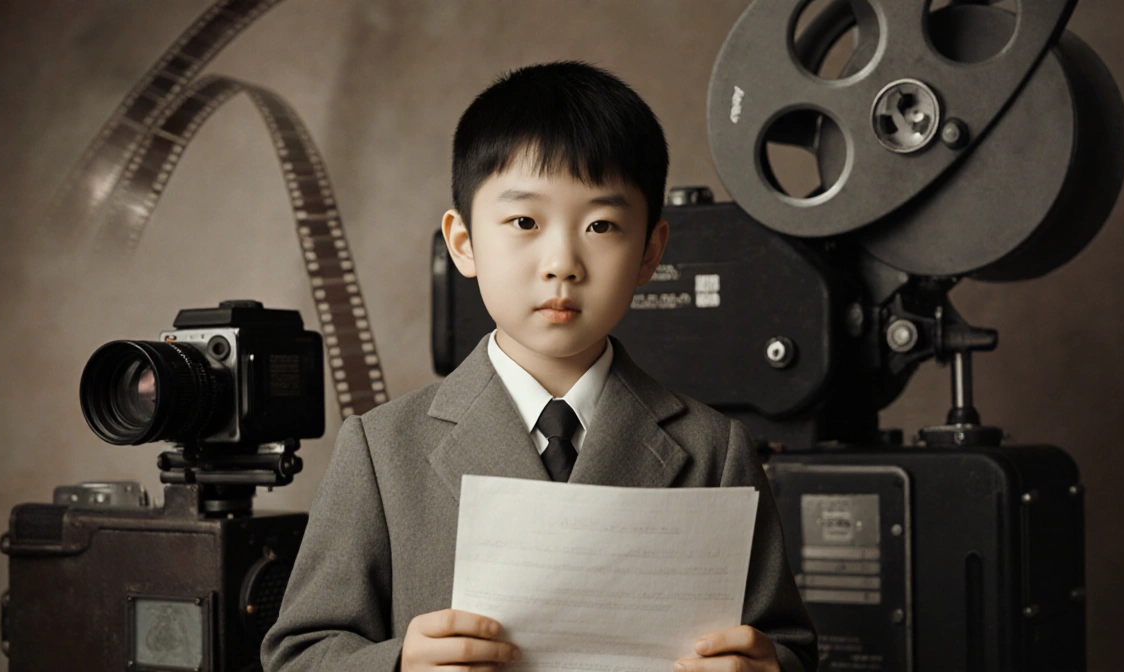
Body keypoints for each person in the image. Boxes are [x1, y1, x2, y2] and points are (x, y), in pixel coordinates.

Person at [261, 61, 817, 672]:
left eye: (602, 225)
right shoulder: (382, 448)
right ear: (464, 242)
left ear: (650, 252)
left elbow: (786, 645)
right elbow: (298, 654)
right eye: (524, 221)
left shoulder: (716, 450)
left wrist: (766, 665)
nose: (562, 262)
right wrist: (397, 665)